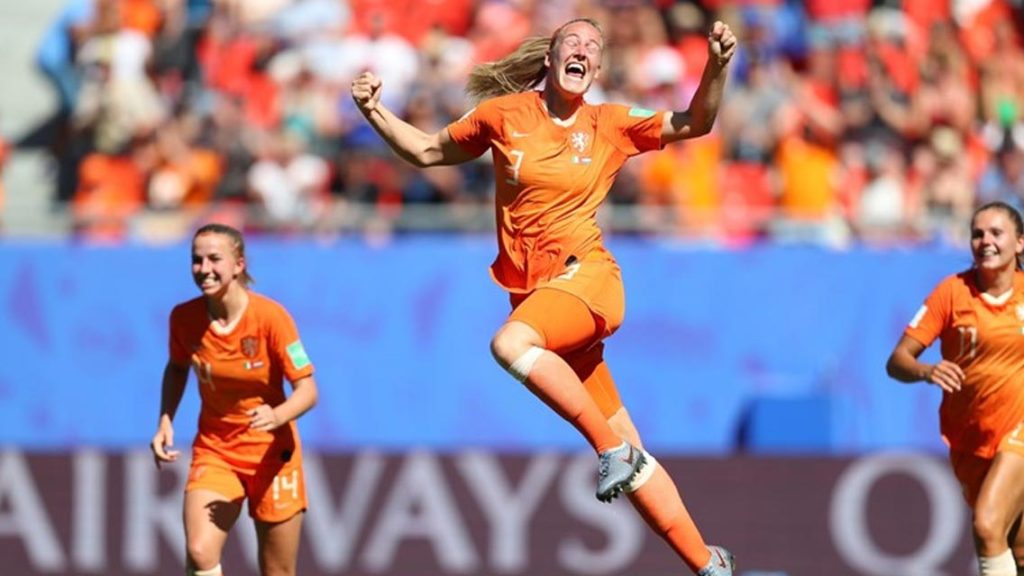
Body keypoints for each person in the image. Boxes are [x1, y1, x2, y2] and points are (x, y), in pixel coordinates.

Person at [351, 17, 738, 576]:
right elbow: (430, 152)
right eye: (572, 42)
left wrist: (717, 66)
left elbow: (695, 121)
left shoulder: (609, 123)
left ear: (598, 69)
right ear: (550, 58)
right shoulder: (503, 116)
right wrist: (374, 112)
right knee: (633, 445)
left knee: (510, 345)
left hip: (588, 280)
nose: (583, 50)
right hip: (543, 300)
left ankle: (610, 452)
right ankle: (708, 564)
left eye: (593, 46)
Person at [150, 223, 319, 576]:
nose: (204, 269)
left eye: (215, 259)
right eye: (197, 260)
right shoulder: (184, 319)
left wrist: (276, 416)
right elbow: (177, 368)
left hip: (272, 456)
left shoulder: (272, 318)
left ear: (238, 264)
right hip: (217, 450)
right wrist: (166, 419)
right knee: (199, 552)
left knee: (278, 571)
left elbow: (308, 391)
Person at [886, 201, 1024, 576]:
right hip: (972, 439)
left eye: (996, 233)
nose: (986, 241)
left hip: (1020, 429)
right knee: (1016, 548)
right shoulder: (952, 293)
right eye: (977, 234)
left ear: (1020, 242)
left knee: (987, 525)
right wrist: (927, 371)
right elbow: (898, 361)